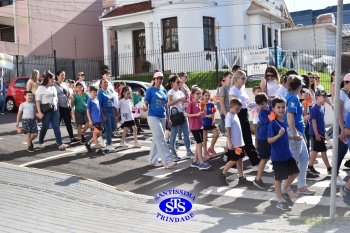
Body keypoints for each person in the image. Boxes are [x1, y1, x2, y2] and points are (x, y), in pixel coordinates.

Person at [284, 75, 315, 195]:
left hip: (297, 132)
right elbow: (290, 116)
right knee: (294, 161)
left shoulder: (290, 97)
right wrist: (295, 133)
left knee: (304, 159)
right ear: (298, 86)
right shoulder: (293, 98)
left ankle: (301, 185)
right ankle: (285, 188)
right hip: (294, 132)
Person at [268, 97, 300, 211]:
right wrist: (278, 135)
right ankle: (280, 201)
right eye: (278, 107)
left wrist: (293, 137)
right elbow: (269, 140)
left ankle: (284, 190)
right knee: (278, 178)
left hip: (287, 154)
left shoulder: (283, 121)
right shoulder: (273, 124)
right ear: (274, 109)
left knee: (295, 172)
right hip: (278, 156)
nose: (281, 109)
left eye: (283, 107)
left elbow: (285, 136)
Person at [141, 71, 176, 168]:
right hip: (153, 117)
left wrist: (168, 119)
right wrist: (144, 106)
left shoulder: (164, 90)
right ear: (154, 79)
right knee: (161, 138)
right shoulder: (150, 90)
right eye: (157, 78)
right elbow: (146, 103)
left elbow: (166, 106)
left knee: (157, 138)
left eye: (161, 78)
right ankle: (167, 161)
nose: (159, 80)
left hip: (162, 117)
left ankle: (152, 160)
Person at [229, 70, 261, 170]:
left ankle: (255, 161)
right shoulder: (233, 90)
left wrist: (250, 105)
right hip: (238, 115)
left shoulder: (242, 88)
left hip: (244, 113)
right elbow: (232, 102)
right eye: (243, 78)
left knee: (247, 138)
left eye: (245, 78)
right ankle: (234, 163)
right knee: (240, 139)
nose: (244, 80)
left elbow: (244, 102)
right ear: (237, 79)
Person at [219, 98, 251, 186]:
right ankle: (223, 174)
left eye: (239, 109)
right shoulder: (229, 116)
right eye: (237, 109)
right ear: (231, 107)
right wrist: (229, 142)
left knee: (240, 159)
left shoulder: (235, 115)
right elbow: (228, 130)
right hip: (234, 144)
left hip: (239, 143)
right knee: (234, 159)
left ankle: (241, 177)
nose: (238, 110)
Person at [35, 71, 68, 150]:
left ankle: (60, 143)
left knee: (56, 126)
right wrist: (39, 112)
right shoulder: (40, 88)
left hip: (54, 109)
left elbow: (56, 99)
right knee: (45, 126)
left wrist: (57, 110)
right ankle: (41, 142)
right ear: (48, 79)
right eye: (52, 79)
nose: (53, 81)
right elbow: (37, 101)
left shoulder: (53, 87)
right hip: (46, 110)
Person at [167, 75, 194, 160]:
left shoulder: (180, 92)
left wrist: (186, 101)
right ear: (172, 83)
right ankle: (173, 152)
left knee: (186, 133)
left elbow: (185, 103)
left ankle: (188, 151)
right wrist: (179, 100)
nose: (179, 83)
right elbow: (169, 104)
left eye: (180, 82)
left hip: (182, 113)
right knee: (174, 134)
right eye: (178, 82)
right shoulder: (170, 92)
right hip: (174, 114)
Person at [185, 88, 211, 170]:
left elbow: (202, 115)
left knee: (198, 144)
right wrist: (196, 114)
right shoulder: (191, 104)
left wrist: (203, 113)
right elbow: (186, 114)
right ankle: (201, 162)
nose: (199, 95)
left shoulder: (200, 104)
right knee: (200, 144)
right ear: (192, 95)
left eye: (200, 93)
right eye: (197, 93)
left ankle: (195, 161)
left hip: (200, 126)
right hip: (194, 127)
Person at [308, 90, 332, 175]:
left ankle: (310, 167)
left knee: (316, 150)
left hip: (320, 133)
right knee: (322, 151)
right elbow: (313, 122)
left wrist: (324, 134)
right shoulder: (314, 108)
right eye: (323, 97)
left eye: (325, 97)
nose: (325, 98)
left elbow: (321, 123)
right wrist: (317, 134)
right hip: (316, 134)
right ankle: (329, 168)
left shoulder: (321, 108)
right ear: (317, 97)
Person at [253, 93, 272, 189]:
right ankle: (258, 178)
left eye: (263, 104)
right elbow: (272, 120)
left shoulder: (272, 108)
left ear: (267, 101)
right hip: (263, 137)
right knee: (264, 159)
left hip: (271, 137)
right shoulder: (262, 113)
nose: (261, 106)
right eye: (259, 105)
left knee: (271, 157)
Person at [54, 70, 78, 143]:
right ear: (57, 76)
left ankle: (72, 137)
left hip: (66, 106)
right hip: (59, 107)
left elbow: (68, 94)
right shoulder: (54, 85)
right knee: (57, 124)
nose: (63, 77)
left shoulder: (64, 84)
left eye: (64, 75)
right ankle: (58, 139)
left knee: (68, 123)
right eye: (62, 75)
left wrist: (71, 97)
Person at [337, 73, 350, 185]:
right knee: (340, 151)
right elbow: (339, 113)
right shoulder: (341, 94)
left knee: (343, 150)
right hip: (343, 126)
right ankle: (334, 175)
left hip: (346, 125)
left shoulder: (346, 94)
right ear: (346, 82)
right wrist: (342, 129)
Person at [98, 79, 118, 151]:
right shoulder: (100, 92)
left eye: (107, 82)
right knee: (108, 129)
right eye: (104, 82)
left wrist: (115, 109)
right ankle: (109, 144)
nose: (106, 83)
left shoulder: (109, 91)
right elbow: (99, 104)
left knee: (113, 128)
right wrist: (102, 114)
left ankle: (103, 137)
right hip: (105, 110)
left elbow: (113, 101)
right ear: (101, 84)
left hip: (111, 110)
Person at [86, 86, 105, 155]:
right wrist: (90, 120)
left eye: (96, 92)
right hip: (93, 120)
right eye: (93, 92)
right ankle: (98, 148)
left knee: (99, 133)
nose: (95, 93)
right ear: (90, 92)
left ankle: (88, 143)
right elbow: (88, 111)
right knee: (95, 133)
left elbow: (99, 109)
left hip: (99, 119)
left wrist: (102, 116)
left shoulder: (97, 100)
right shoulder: (89, 100)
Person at [202, 89, 219, 158]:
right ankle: (205, 152)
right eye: (206, 95)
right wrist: (207, 116)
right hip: (203, 123)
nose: (207, 97)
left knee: (216, 134)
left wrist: (213, 120)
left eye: (208, 95)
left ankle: (211, 148)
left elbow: (213, 113)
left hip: (210, 123)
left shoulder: (211, 104)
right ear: (203, 96)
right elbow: (201, 114)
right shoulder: (201, 104)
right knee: (205, 138)